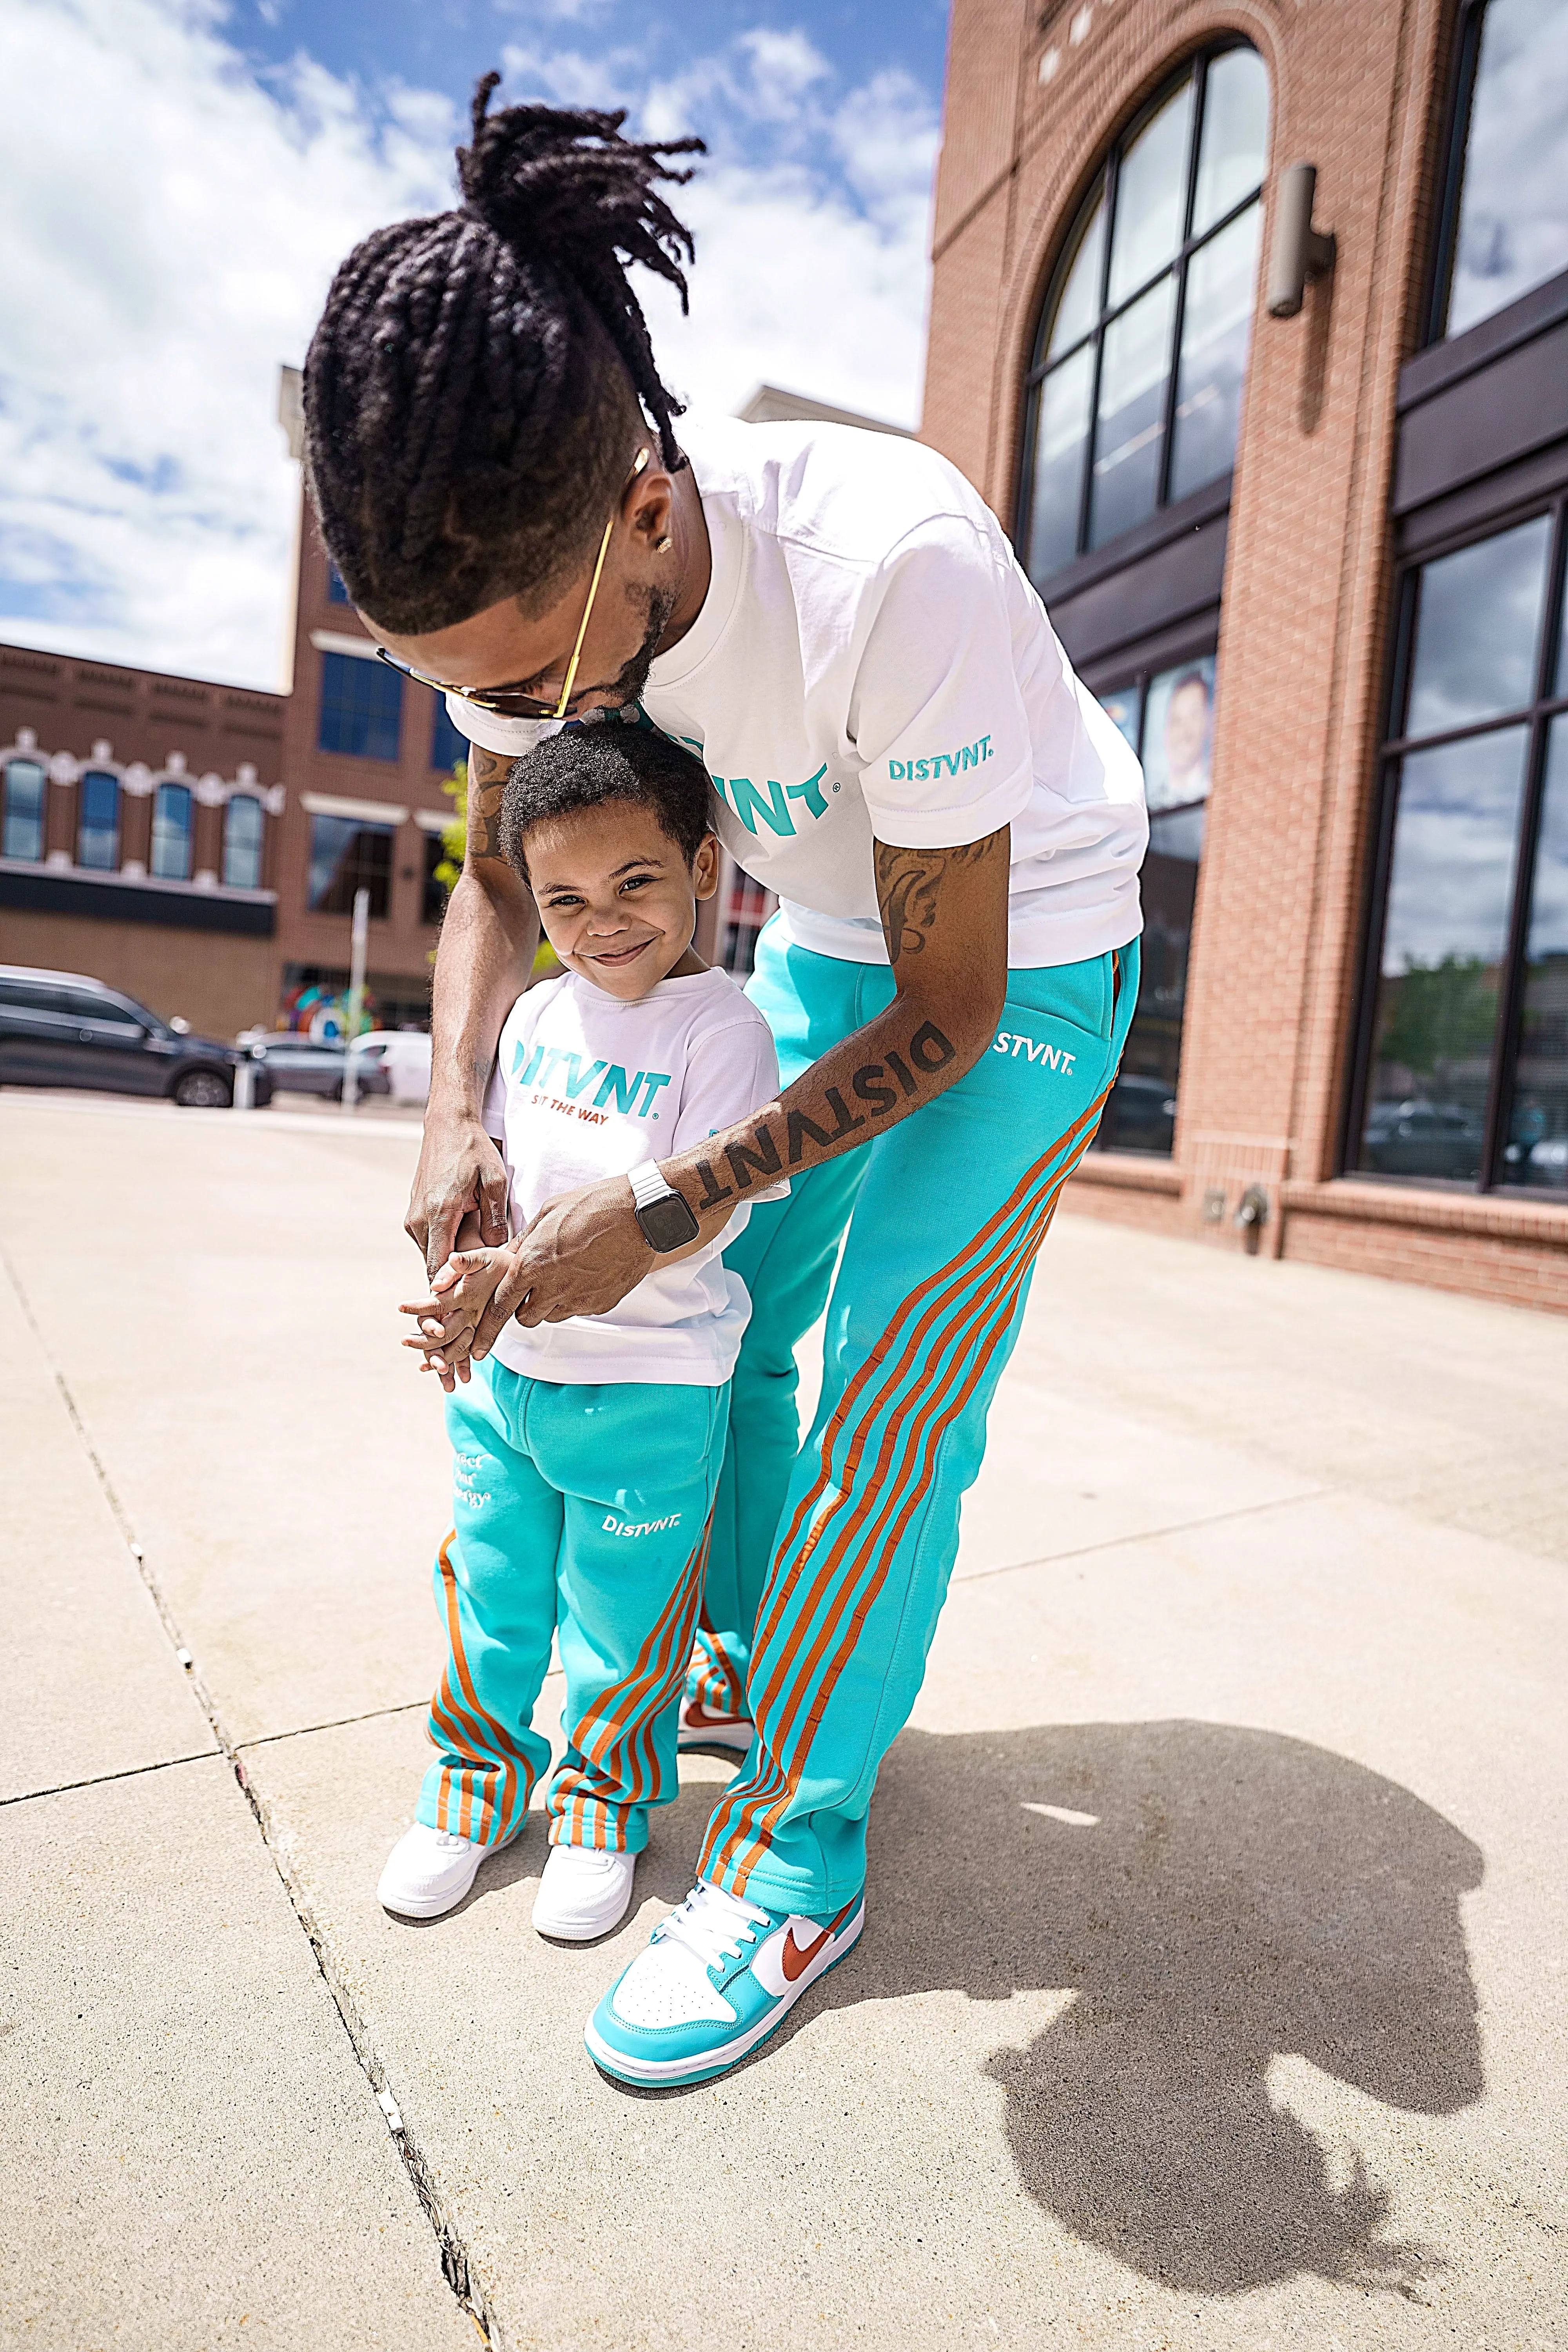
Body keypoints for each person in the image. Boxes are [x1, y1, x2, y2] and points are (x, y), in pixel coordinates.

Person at [304, 81, 1146, 2086]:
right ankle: (759, 1685)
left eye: (515, 684)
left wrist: (667, 1199)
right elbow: (497, 878)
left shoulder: (888, 570)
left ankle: (795, 1856)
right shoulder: (537, 595)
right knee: (732, 1335)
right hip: (845, 920)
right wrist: (456, 1125)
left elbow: (938, 1009)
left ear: (649, 515)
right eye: (451, 693)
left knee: (877, 1401)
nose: (498, 728)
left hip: (1015, 961)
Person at [379, 722, 783, 1942]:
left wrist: (534, 1268)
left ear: (703, 870)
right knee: (493, 1595)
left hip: (655, 1392)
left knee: (621, 1623)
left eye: (636, 882)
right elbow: (493, 1182)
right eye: (564, 899)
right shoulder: (538, 1014)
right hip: (507, 1385)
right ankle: (472, 1784)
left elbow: (695, 1221)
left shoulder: (726, 1033)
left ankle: (604, 1805)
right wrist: (467, 1288)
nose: (601, 920)